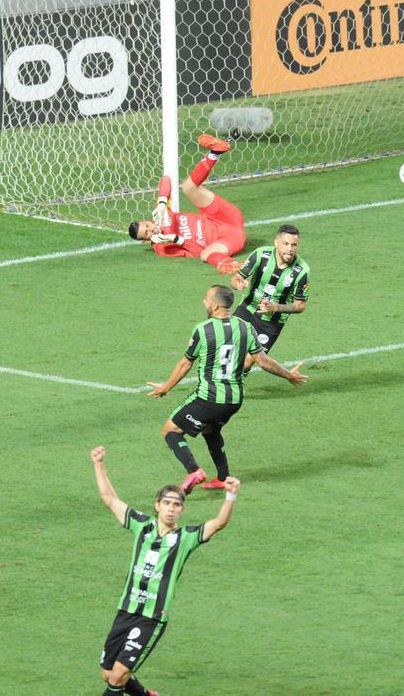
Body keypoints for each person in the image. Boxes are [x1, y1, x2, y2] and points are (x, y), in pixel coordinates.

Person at [89, 445, 240, 696]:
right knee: (107, 672)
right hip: (126, 610)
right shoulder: (142, 526)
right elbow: (110, 499)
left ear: (182, 509)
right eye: (166, 503)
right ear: (157, 505)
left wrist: (231, 496)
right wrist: (98, 463)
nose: (171, 508)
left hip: (152, 617)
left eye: (176, 504)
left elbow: (219, 523)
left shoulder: (186, 538)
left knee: (118, 676)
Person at [147, 284, 307, 492]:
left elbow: (185, 364)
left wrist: (165, 388)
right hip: (234, 399)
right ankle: (223, 478)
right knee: (210, 429)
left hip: (209, 398)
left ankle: (193, 471)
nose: (204, 301)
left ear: (214, 305)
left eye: (206, 299)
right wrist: (289, 375)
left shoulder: (203, 330)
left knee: (170, 430)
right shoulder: (245, 327)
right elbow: (262, 361)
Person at [127, 135, 246, 274]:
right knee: (205, 255)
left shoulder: (160, 215)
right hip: (228, 239)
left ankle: (215, 152)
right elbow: (197, 252)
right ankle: (232, 265)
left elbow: (166, 180)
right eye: (146, 233)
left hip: (224, 217)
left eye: (147, 226)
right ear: (146, 241)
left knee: (188, 187)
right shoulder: (162, 247)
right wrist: (177, 239)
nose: (151, 230)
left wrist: (162, 202)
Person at [230, 224, 310, 357]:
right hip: (247, 310)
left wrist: (276, 307)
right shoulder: (261, 255)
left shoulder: (302, 271)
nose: (290, 249)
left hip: (271, 322)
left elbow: (300, 306)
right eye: (286, 244)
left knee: (250, 360)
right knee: (227, 347)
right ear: (276, 243)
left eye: (294, 245)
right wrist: (238, 283)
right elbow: (236, 278)